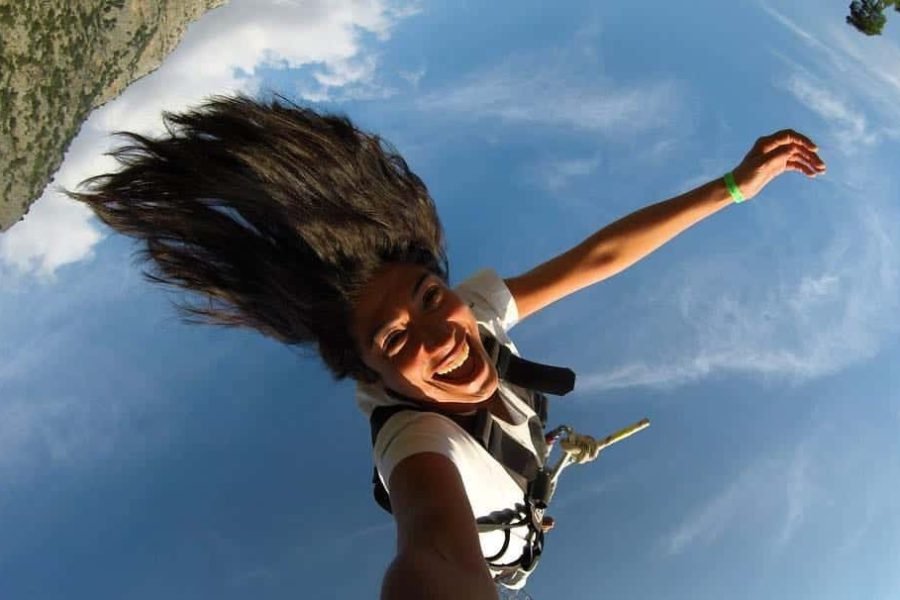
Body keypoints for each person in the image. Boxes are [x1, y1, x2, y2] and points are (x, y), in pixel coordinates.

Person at [70, 94, 826, 599]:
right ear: (367, 369)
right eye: (396, 337)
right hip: (504, 553)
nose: (441, 335)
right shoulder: (414, 440)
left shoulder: (472, 313)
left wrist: (734, 184)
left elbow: (596, 258)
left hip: (516, 513)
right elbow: (431, 550)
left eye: (432, 299)